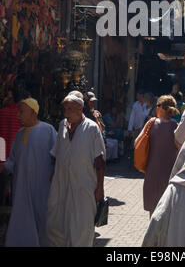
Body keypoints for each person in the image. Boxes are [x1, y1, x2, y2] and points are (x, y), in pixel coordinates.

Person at [46, 92, 106, 247]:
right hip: (61, 185)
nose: (67, 113)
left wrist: (100, 187)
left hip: (83, 187)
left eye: (71, 109)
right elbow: (56, 154)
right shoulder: (62, 126)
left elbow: (100, 161)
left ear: (80, 109)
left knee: (81, 229)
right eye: (65, 109)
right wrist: (53, 175)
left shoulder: (92, 128)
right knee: (55, 226)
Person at [0, 98, 57, 247]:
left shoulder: (48, 130)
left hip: (42, 186)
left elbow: (58, 155)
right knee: (22, 219)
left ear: (33, 112)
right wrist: (4, 166)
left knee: (43, 220)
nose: (18, 115)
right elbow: (13, 160)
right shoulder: (19, 134)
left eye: (21, 112)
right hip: (22, 188)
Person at [135, 95, 178, 218]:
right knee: (168, 208)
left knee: (153, 209)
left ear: (160, 108)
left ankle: (153, 234)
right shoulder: (176, 126)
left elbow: (137, 142)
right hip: (170, 173)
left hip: (152, 171)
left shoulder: (151, 123)